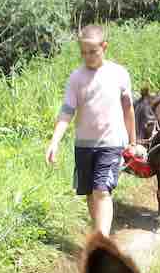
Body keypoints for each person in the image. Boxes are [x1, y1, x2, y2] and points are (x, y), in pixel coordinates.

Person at [46, 24, 144, 235]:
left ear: (104, 47)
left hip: (111, 143)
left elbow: (128, 109)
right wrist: (54, 141)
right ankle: (99, 232)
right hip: (83, 144)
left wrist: (133, 142)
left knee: (102, 190)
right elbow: (66, 111)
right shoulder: (76, 78)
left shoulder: (119, 74)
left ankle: (102, 243)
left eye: (93, 52)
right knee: (91, 193)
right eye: (83, 53)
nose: (88, 57)